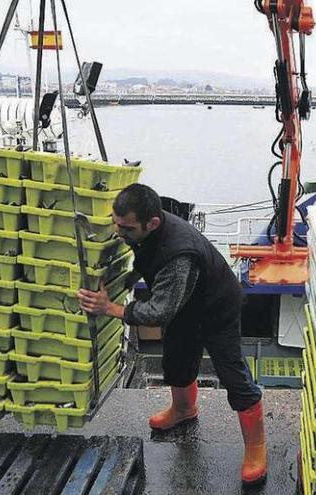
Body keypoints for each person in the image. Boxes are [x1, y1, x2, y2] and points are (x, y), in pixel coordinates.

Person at [76, 183, 267, 486]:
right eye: (116, 222)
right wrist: (122, 282)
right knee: (176, 361)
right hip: (183, 305)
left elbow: (158, 312)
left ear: (152, 223)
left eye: (125, 227)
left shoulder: (180, 255)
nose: (118, 231)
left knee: (233, 375)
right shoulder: (145, 228)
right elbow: (144, 260)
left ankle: (256, 448)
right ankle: (183, 409)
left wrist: (108, 307)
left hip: (216, 306)